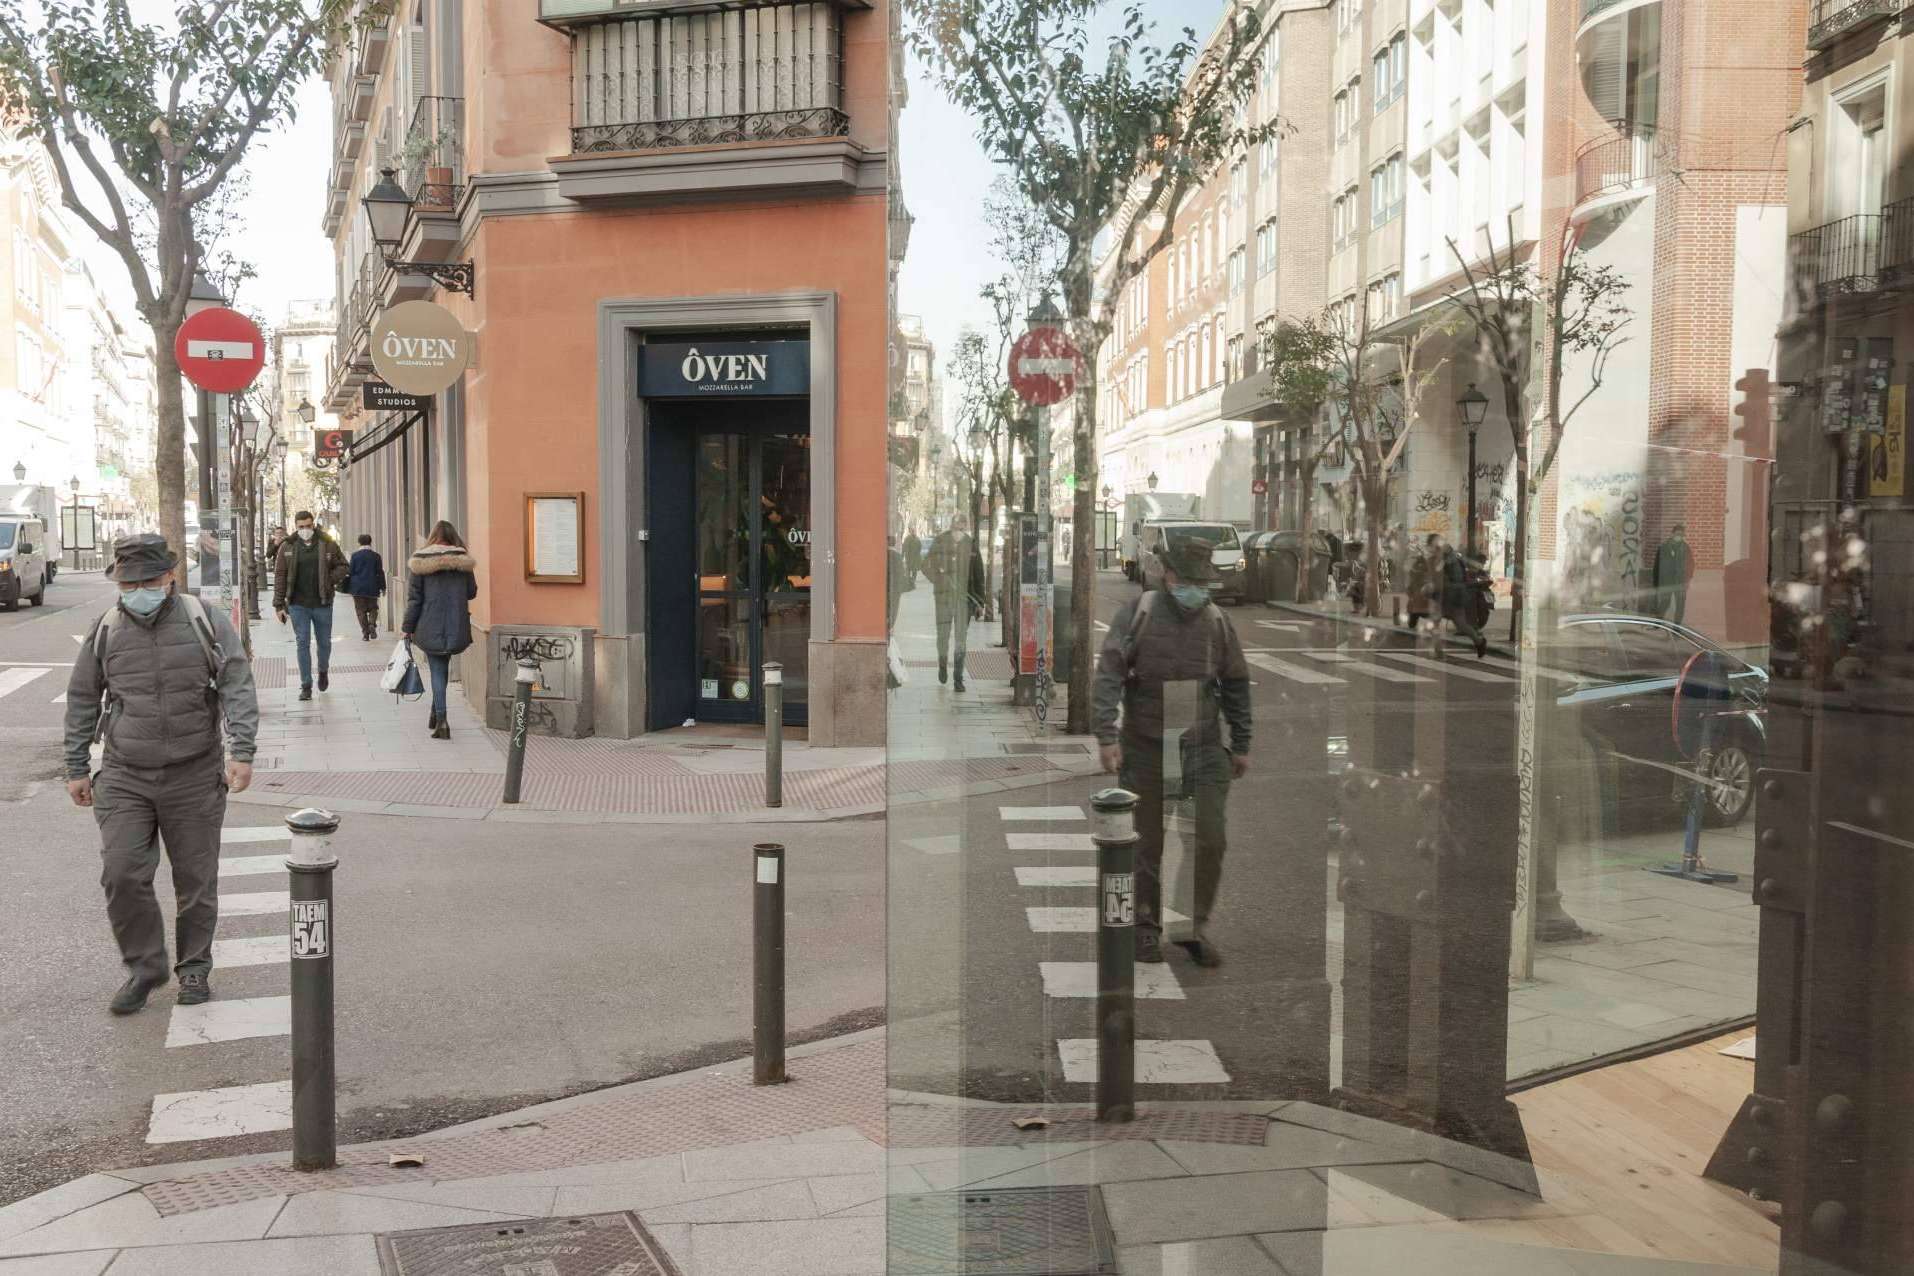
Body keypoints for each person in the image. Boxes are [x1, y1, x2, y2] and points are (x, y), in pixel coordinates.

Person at [63, 534, 258, 1015]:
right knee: (122, 873)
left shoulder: (202, 618)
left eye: (148, 581)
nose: (139, 591)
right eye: (129, 584)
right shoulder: (106, 628)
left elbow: (235, 680)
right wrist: (76, 765)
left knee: (196, 880)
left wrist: (242, 750)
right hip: (125, 773)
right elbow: (83, 696)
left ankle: (194, 968)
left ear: (170, 576)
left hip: (194, 771)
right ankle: (145, 967)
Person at [1094, 535, 1252, 968]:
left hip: (1201, 747)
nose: (1195, 590)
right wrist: (1106, 735)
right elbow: (1109, 672)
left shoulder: (1217, 621)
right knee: (1146, 846)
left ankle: (1191, 928)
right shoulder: (1140, 613)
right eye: (1187, 580)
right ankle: (1145, 929)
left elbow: (1236, 682)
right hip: (1146, 747)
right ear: (1168, 575)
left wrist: (1241, 742)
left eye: (1202, 582)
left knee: (1210, 839)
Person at [403, 520, 478, 740]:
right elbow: (472, 592)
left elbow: (414, 599)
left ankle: (442, 721)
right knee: (442, 668)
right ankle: (435, 713)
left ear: (433, 537)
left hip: (429, 624)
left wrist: (407, 628)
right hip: (456, 624)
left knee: (437, 670)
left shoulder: (420, 562)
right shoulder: (463, 560)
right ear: (453, 537)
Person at [271, 509, 349, 701]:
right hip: (298, 605)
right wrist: (278, 605)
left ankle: (323, 670)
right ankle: (306, 685)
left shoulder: (327, 543)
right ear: (296, 527)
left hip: (323, 603)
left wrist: (329, 580)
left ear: (313, 525)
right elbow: (280, 575)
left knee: (324, 643)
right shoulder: (287, 546)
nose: (305, 529)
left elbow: (344, 566)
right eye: (301, 527)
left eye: (308, 526)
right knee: (302, 643)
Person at [923, 515, 986, 691]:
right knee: (943, 636)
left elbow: (979, 574)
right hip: (943, 599)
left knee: (960, 640)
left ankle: (958, 679)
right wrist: (938, 580)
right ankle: (942, 665)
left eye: (962, 527)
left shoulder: (971, 544)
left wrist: (981, 602)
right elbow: (925, 565)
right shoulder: (940, 541)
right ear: (951, 526)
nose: (959, 530)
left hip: (964, 601)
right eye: (957, 526)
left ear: (965, 527)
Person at [1435, 536, 1488, 658]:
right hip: (1452, 597)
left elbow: (1454, 580)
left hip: (1451, 597)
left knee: (1458, 624)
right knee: (1458, 624)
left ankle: (1479, 642)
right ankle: (1479, 642)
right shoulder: (1452, 560)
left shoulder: (1450, 562)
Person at [344, 532, 387, 642]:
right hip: (372, 586)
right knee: (373, 608)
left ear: (359, 543)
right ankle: (372, 623)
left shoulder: (355, 556)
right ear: (370, 542)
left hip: (357, 588)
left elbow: (350, 571)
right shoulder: (376, 556)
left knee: (360, 611)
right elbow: (380, 572)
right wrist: (383, 587)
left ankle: (365, 634)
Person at [1652, 523, 1693, 624]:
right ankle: (1657, 623)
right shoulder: (1663, 547)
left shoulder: (1686, 548)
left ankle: (1677, 627)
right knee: (1665, 602)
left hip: (1680, 581)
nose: (1679, 536)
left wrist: (1687, 579)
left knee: (1680, 604)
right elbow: (1657, 566)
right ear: (1672, 534)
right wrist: (1656, 582)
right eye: (1677, 534)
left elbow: (1691, 565)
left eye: (1681, 534)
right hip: (1667, 581)